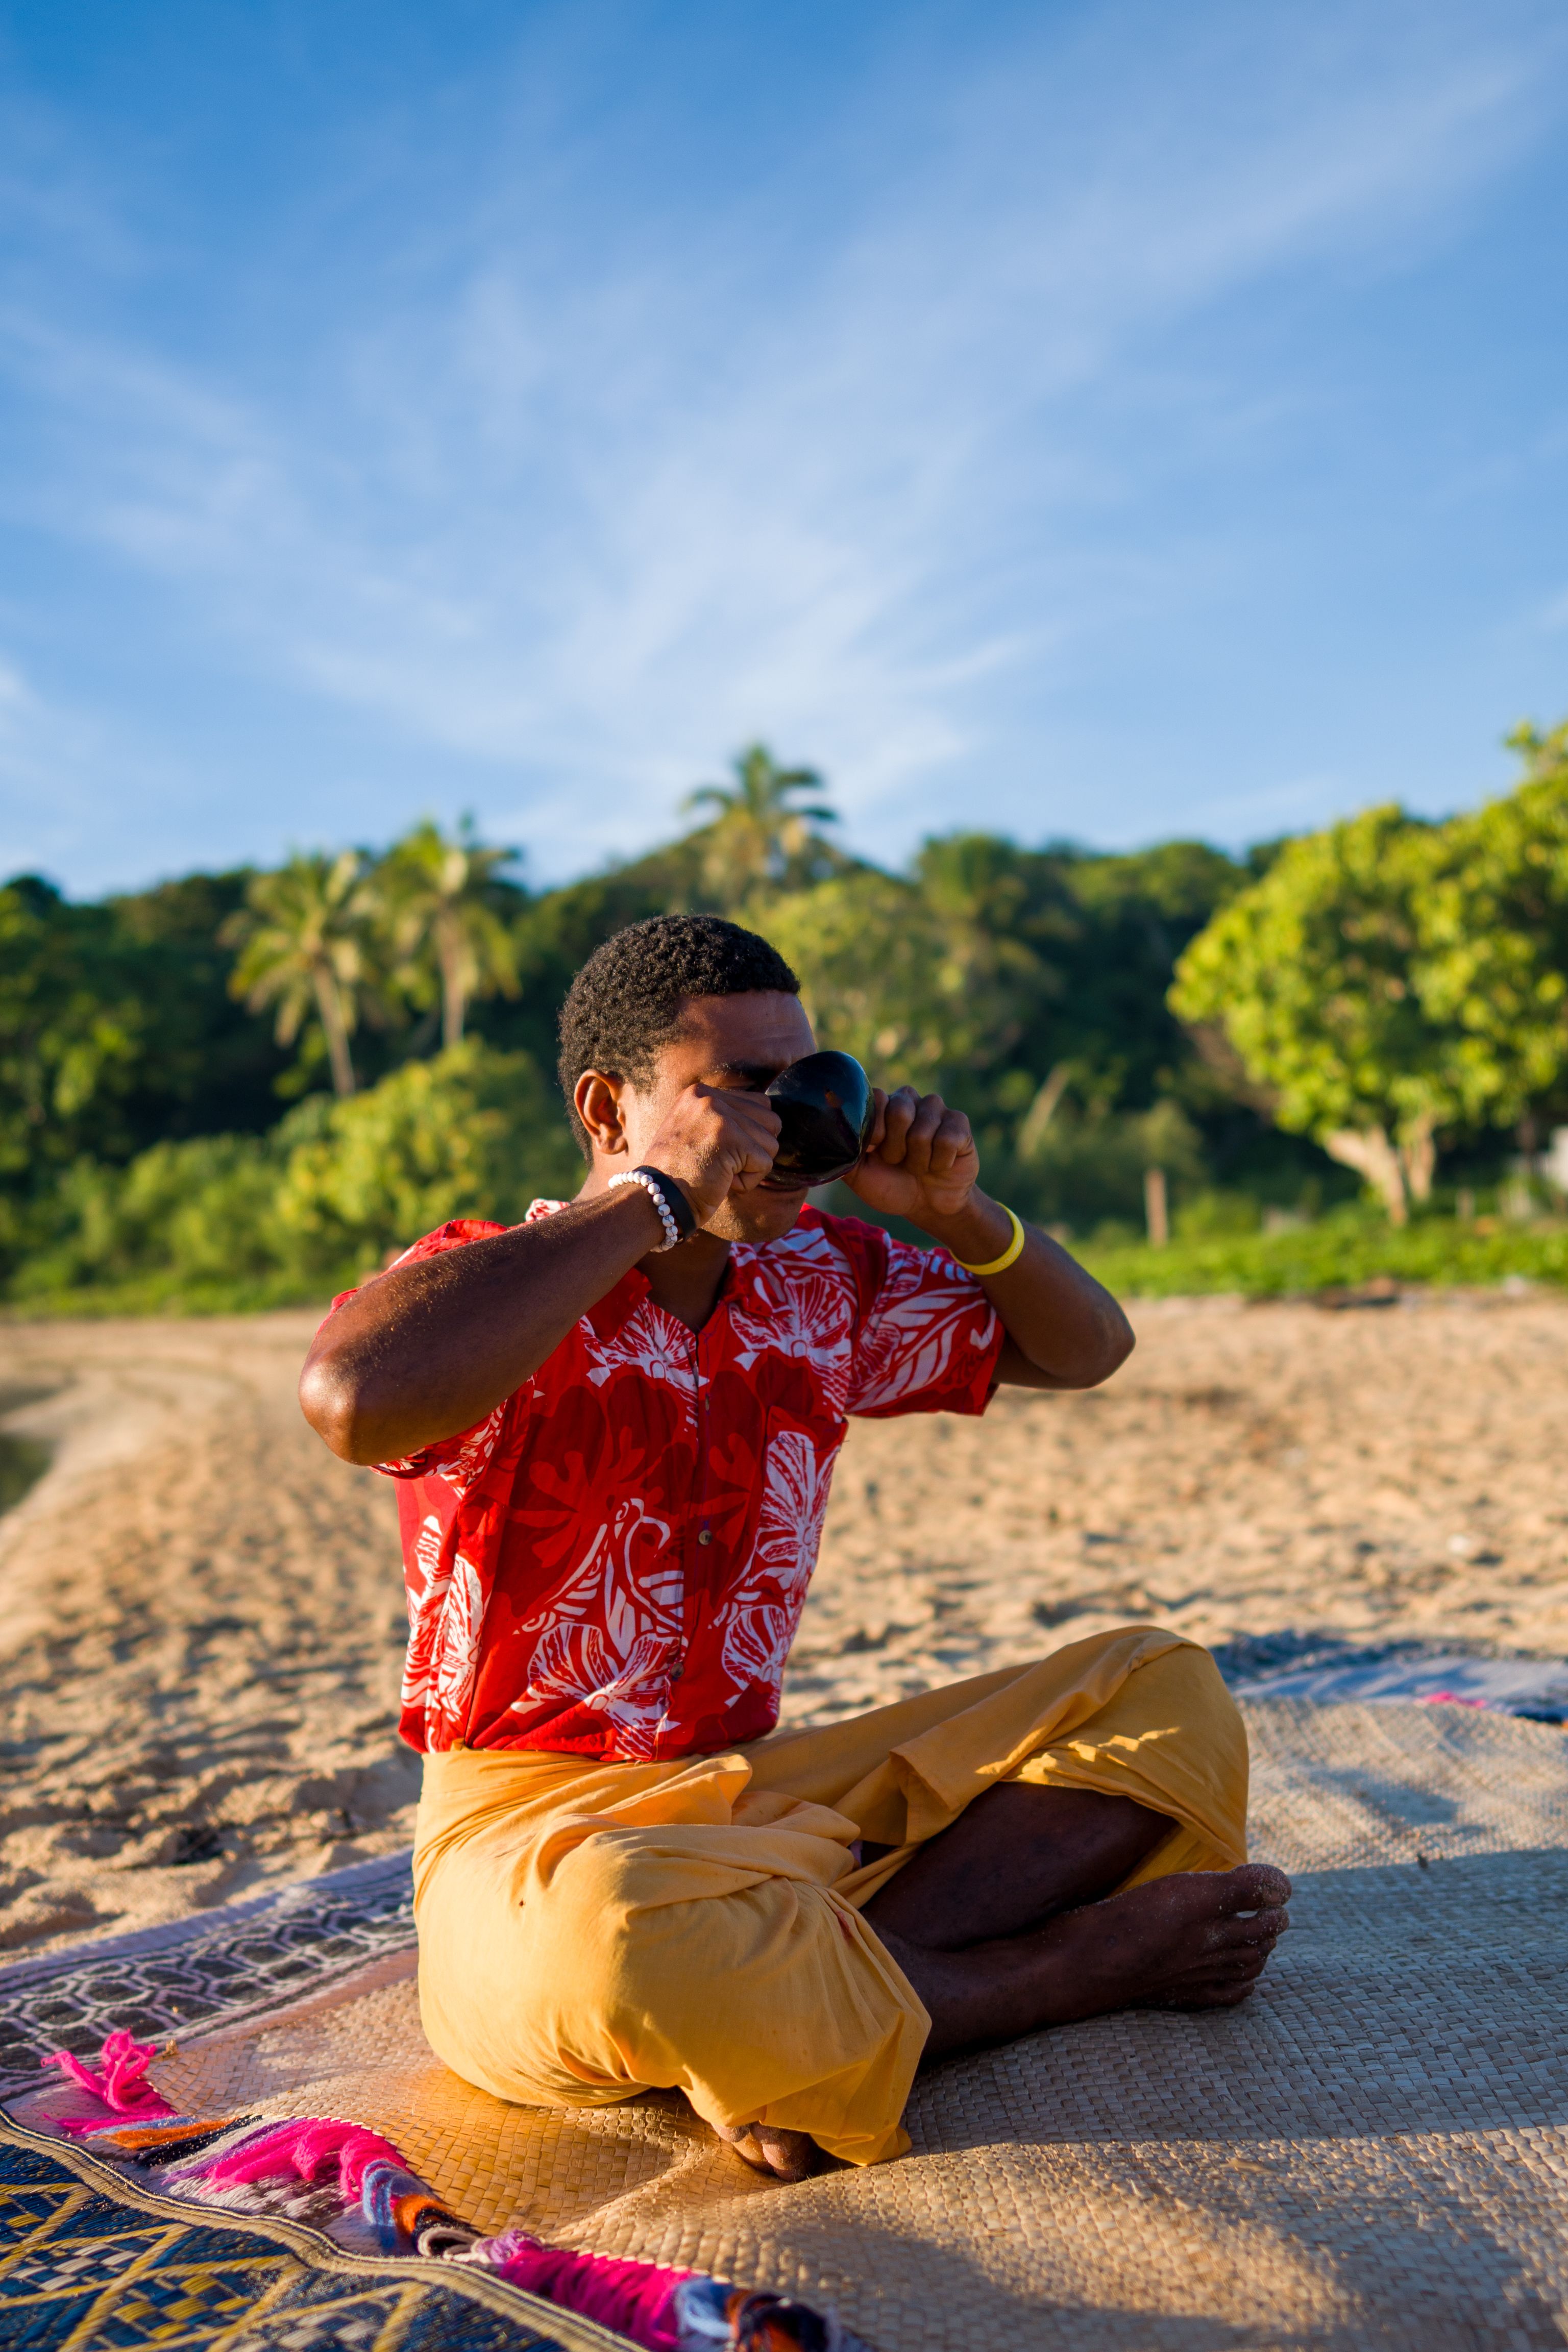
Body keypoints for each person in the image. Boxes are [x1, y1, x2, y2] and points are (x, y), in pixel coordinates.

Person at [301, 914, 1289, 2182]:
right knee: (607, 1944)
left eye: (811, 1080)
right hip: (527, 1837)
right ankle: (1032, 1977)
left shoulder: (820, 1279)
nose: (798, 1119)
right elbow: (352, 1398)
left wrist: (959, 1209)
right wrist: (654, 1203)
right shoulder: (499, 1286)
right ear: (612, 1109)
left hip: (759, 1795)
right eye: (744, 1091)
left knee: (1169, 1689)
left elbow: (1087, 1348)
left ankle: (830, 1992)